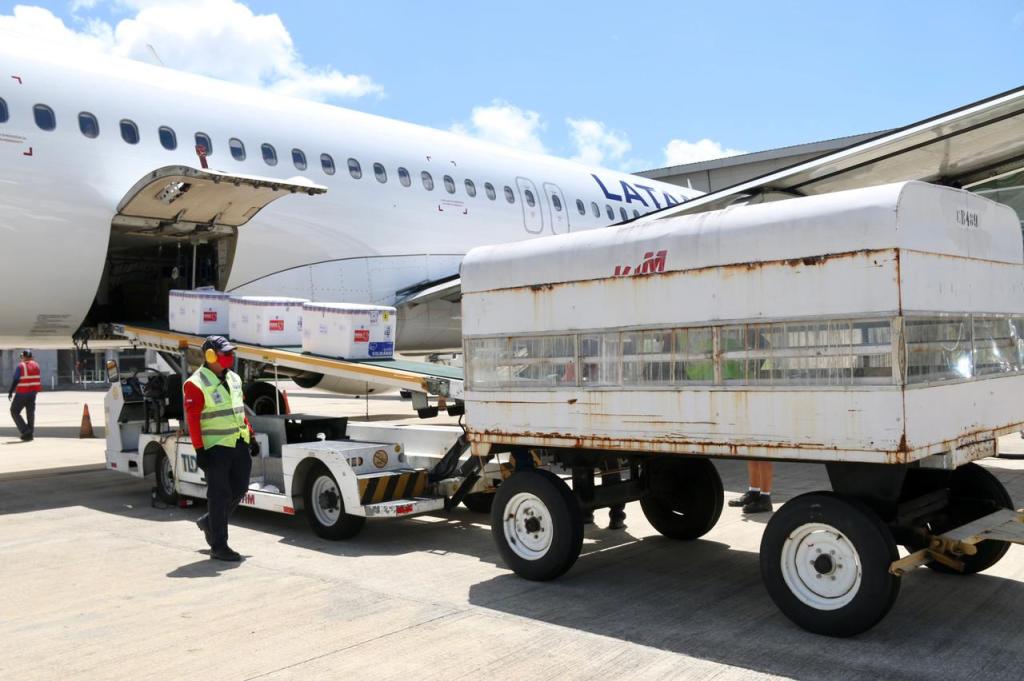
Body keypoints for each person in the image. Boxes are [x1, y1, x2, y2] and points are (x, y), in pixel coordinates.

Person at [184, 336, 259, 562]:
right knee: (219, 496)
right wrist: (199, 450)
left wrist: (251, 435)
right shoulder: (195, 384)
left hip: (238, 443)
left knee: (240, 488)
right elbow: (193, 420)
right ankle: (219, 546)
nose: (231, 356)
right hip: (215, 448)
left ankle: (209, 522)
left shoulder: (234, 379)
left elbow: (239, 411)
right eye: (226, 353)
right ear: (210, 355)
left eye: (231, 352)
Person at [8, 350, 41, 441]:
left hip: (22, 393)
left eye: (22, 357)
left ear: (25, 357)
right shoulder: (36, 365)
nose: (21, 358)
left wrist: (11, 391)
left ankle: (25, 430)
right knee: (30, 413)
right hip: (33, 393)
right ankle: (30, 434)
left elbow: (16, 379)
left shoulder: (21, 366)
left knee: (14, 411)